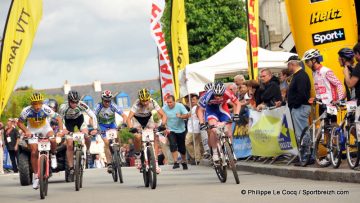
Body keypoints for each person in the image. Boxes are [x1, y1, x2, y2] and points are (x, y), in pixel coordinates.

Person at [17, 92, 65, 189]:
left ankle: (53, 155)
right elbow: (19, 123)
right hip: (32, 130)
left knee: (52, 139)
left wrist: (60, 131)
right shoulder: (26, 111)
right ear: (31, 104)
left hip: (45, 128)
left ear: (42, 103)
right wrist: (26, 131)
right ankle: (36, 176)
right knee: (34, 152)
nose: (37, 106)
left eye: (39, 103)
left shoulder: (45, 108)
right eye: (35, 104)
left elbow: (59, 118)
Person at [196, 82, 241, 163]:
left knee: (229, 133)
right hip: (211, 111)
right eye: (216, 95)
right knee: (213, 130)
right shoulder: (207, 96)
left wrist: (236, 114)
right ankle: (215, 153)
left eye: (220, 95)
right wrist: (202, 123)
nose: (218, 97)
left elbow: (237, 103)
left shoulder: (227, 92)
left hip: (222, 110)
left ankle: (230, 150)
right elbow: (200, 110)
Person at [126, 88, 167, 174]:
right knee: (137, 136)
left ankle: (155, 162)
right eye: (143, 101)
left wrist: (162, 125)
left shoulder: (153, 102)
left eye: (146, 101)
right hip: (137, 119)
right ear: (140, 100)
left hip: (148, 119)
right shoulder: (136, 104)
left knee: (155, 135)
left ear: (149, 98)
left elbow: (163, 115)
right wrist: (131, 128)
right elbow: (129, 118)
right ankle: (138, 154)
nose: (145, 103)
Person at [58, 90, 98, 177]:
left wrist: (95, 128)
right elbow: (60, 119)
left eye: (76, 102)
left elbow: (93, 115)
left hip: (79, 120)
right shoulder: (63, 107)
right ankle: (71, 168)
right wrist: (62, 130)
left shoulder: (82, 104)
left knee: (87, 136)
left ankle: (88, 150)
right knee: (69, 144)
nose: (75, 104)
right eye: (72, 102)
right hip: (68, 122)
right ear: (69, 101)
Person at [302, 49, 345, 122]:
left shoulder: (326, 71)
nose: (306, 64)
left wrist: (339, 99)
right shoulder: (314, 73)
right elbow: (319, 88)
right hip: (321, 104)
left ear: (314, 60)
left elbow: (338, 84)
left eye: (307, 61)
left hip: (330, 103)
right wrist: (316, 98)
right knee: (324, 128)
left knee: (332, 126)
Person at [94, 90, 128, 173]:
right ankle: (109, 164)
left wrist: (123, 123)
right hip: (102, 126)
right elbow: (92, 117)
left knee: (118, 134)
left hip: (112, 124)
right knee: (106, 143)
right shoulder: (98, 107)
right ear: (102, 100)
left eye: (109, 101)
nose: (107, 103)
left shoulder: (113, 106)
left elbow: (124, 115)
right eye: (105, 101)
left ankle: (119, 152)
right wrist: (95, 127)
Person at [286, 55, 311, 143]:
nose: (287, 67)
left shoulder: (301, 76)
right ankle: (306, 154)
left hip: (300, 108)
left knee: (302, 134)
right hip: (299, 107)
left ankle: (307, 155)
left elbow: (302, 93)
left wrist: (295, 105)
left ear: (292, 64)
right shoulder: (297, 75)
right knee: (300, 133)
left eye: (288, 65)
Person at [163, 95, 190, 170]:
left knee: (182, 147)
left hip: (181, 130)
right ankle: (176, 162)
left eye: (170, 102)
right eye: (167, 102)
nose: (169, 104)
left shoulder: (180, 106)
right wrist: (164, 127)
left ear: (174, 101)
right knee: (172, 144)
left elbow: (187, 115)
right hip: (170, 129)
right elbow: (163, 118)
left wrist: (181, 116)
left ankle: (184, 161)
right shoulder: (164, 108)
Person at [343, 44, 360, 134]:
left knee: (355, 126)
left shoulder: (357, 67)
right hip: (353, 102)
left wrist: (345, 73)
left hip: (356, 102)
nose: (354, 57)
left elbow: (350, 84)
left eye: (355, 54)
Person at [185, 94, 203, 165]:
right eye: (191, 100)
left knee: (188, 143)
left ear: (197, 100)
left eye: (194, 100)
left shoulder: (196, 107)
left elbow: (187, 115)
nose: (192, 101)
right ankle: (198, 158)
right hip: (194, 128)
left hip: (194, 128)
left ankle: (196, 157)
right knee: (197, 144)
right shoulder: (193, 108)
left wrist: (180, 115)